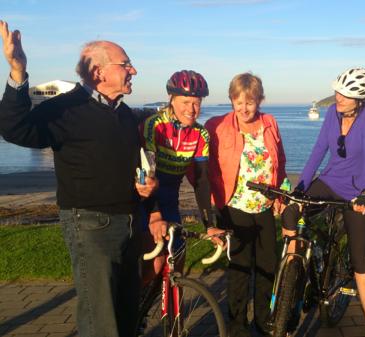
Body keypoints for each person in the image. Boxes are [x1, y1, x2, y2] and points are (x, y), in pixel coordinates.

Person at [0, 21, 165, 337]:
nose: (134, 70)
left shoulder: (125, 114)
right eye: (126, 64)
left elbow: (139, 167)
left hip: (130, 223)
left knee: (128, 317)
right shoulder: (67, 108)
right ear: (99, 72)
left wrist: (150, 194)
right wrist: (18, 72)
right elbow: (14, 128)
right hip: (90, 225)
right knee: (101, 322)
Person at [281, 67, 365, 337]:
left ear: (359, 100)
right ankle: (290, 283)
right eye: (338, 90)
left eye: (346, 95)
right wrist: (301, 187)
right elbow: (318, 150)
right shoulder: (331, 113)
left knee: (360, 259)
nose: (338, 97)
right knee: (292, 214)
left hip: (357, 191)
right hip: (329, 181)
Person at [205, 72, 289, 337]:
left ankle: (263, 321)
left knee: (267, 267)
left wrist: (281, 196)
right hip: (234, 207)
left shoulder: (270, 123)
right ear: (231, 100)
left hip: (264, 208)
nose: (244, 108)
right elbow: (205, 168)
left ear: (260, 100)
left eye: (250, 102)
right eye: (238, 102)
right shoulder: (216, 125)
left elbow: (281, 163)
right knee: (240, 271)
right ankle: (237, 327)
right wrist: (212, 204)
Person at [139, 70, 224, 284]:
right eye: (185, 102)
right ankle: (137, 314)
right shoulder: (154, 125)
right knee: (155, 264)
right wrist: (154, 214)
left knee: (178, 262)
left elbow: (201, 182)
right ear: (172, 99)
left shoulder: (200, 135)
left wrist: (209, 224)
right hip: (145, 200)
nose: (191, 109)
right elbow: (145, 174)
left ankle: (173, 315)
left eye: (197, 103)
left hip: (170, 199)